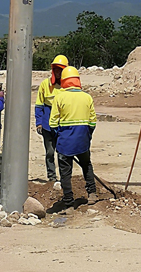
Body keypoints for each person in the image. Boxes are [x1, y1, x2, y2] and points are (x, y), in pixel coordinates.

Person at [49, 66, 97, 209]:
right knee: (86, 165)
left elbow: (52, 123)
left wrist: (59, 136)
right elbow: (93, 121)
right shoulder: (87, 97)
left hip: (65, 142)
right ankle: (92, 193)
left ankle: (68, 201)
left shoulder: (59, 97)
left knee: (65, 172)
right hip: (82, 140)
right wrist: (86, 136)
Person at [34, 54, 69, 187]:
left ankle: (64, 177)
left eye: (60, 69)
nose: (58, 72)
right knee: (50, 152)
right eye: (56, 69)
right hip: (47, 124)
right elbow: (39, 105)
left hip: (62, 124)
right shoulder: (45, 84)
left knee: (63, 153)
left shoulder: (69, 86)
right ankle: (51, 177)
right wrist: (39, 122)